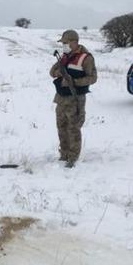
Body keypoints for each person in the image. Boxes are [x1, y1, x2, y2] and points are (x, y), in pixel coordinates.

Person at [49, 30, 97, 168]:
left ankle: (73, 157)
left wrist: (74, 81)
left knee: (73, 128)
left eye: (65, 42)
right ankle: (64, 154)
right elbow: (52, 72)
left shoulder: (86, 58)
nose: (64, 45)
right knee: (61, 127)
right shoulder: (64, 56)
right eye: (63, 43)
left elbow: (93, 78)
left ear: (74, 42)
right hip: (61, 98)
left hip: (75, 99)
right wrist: (59, 74)